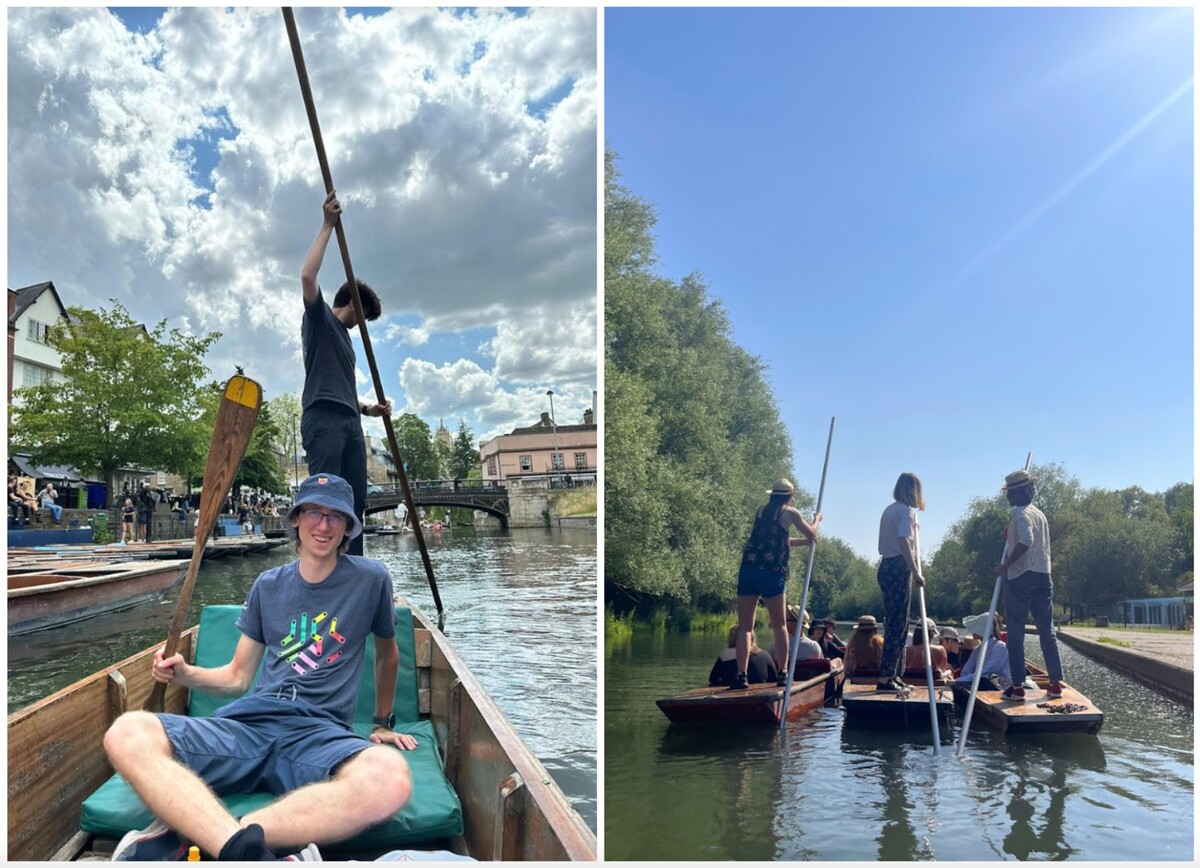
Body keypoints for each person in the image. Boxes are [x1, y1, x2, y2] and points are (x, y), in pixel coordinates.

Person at [104, 473, 416, 861]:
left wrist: (382, 724)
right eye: (314, 513)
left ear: (348, 527)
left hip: (318, 735)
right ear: (296, 520)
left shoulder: (371, 579)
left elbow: (388, 654)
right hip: (247, 727)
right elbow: (236, 678)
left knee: (390, 777)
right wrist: (185, 674)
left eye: (335, 516)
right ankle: (247, 850)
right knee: (128, 731)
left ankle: (226, 838)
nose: (323, 525)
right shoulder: (268, 586)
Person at [300, 189, 393, 557]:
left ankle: (355, 573)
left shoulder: (349, 343)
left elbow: (342, 389)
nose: (363, 325)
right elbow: (307, 276)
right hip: (322, 418)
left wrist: (369, 410)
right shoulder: (321, 321)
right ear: (350, 302)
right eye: (364, 316)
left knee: (355, 501)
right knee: (326, 501)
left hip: (350, 421)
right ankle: (319, 572)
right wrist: (326, 224)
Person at [730, 478, 821, 690]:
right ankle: (782, 672)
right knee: (780, 625)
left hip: (749, 570)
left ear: (772, 495)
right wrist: (817, 519)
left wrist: (803, 543)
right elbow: (813, 533)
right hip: (772, 573)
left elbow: (777, 540)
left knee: (744, 627)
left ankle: (741, 675)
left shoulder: (761, 511)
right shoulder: (791, 513)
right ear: (789, 496)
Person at [993, 469, 1065, 701]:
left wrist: (1005, 566)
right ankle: (1055, 684)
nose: (1007, 498)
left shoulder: (1019, 514)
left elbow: (1026, 540)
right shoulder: (1040, 515)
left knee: (1015, 633)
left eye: (1009, 494)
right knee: (1047, 631)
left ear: (1017, 494)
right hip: (1043, 576)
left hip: (1020, 577)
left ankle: (1017, 688)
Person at [876, 472, 926, 694]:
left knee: (898, 623)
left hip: (886, 566)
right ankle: (886, 678)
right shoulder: (905, 512)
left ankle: (894, 675)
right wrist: (915, 571)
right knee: (898, 624)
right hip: (898, 567)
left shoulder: (891, 509)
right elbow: (903, 541)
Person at [953, 612, 1012, 693]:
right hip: (985, 688)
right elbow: (966, 671)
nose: (972, 631)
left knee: (984, 681)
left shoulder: (1001, 648)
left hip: (1004, 690)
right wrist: (960, 681)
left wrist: (958, 681)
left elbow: (986, 672)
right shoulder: (977, 650)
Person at [709, 625, 777, 687]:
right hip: (761, 694)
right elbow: (774, 678)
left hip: (733, 693)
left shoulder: (725, 654)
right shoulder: (765, 655)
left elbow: (713, 679)